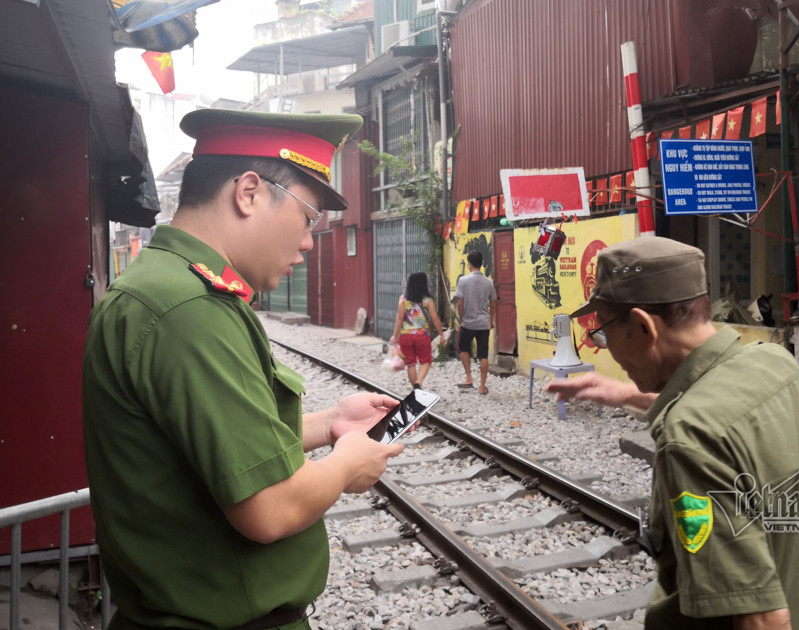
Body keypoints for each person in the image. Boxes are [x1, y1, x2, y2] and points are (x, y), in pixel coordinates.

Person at [82, 109, 406, 630]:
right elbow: (270, 509)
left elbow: (213, 442)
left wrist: (329, 425)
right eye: (308, 217)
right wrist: (347, 464)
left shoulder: (165, 287)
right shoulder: (187, 309)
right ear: (249, 192)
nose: (308, 241)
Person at [545, 237, 799, 629]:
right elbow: (724, 412)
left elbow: (763, 618)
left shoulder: (689, 437)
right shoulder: (774, 363)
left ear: (643, 326)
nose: (604, 346)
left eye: (602, 331)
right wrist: (632, 395)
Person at [390, 271, 444, 390]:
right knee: (426, 361)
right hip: (421, 336)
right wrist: (441, 334)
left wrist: (395, 336)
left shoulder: (403, 299)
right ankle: (419, 382)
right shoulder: (427, 300)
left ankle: (416, 390)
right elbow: (434, 318)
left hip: (406, 336)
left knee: (411, 363)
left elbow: (399, 318)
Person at [455, 251, 497, 395]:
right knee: (483, 355)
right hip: (484, 324)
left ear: (470, 264)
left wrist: (461, 318)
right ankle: (482, 386)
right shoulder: (489, 282)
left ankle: (469, 377)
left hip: (468, 323)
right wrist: (491, 321)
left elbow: (460, 303)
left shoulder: (463, 281)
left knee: (464, 349)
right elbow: (493, 304)